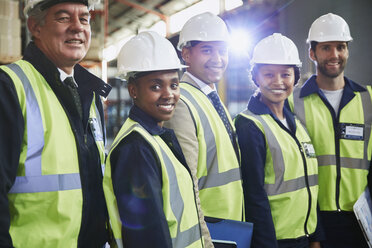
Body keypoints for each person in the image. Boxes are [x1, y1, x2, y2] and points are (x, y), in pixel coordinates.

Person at [0, 0, 112, 247]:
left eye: (84, 19)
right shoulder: (9, 88)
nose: (77, 27)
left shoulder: (89, 94)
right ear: (35, 27)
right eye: (63, 18)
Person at [103, 31, 204, 248]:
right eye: (156, 86)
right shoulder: (136, 149)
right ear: (133, 90)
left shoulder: (158, 137)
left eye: (174, 85)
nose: (168, 94)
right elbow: (146, 237)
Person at [287, 13, 372, 248]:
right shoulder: (293, 102)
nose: (334, 55)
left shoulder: (368, 99)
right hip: (316, 221)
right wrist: (313, 231)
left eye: (341, 47)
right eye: (326, 48)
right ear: (312, 53)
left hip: (361, 220)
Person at [235, 33, 322, 248]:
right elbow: (254, 196)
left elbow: (309, 184)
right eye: (269, 74)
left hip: (304, 237)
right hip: (276, 242)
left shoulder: (296, 123)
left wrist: (316, 236)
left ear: (295, 77)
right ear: (255, 77)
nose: (278, 82)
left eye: (286, 74)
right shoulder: (249, 125)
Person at [163, 12, 244, 227]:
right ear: (186, 54)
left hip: (231, 224)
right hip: (208, 228)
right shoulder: (182, 103)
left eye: (222, 51)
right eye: (207, 50)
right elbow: (186, 182)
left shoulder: (212, 99)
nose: (217, 59)